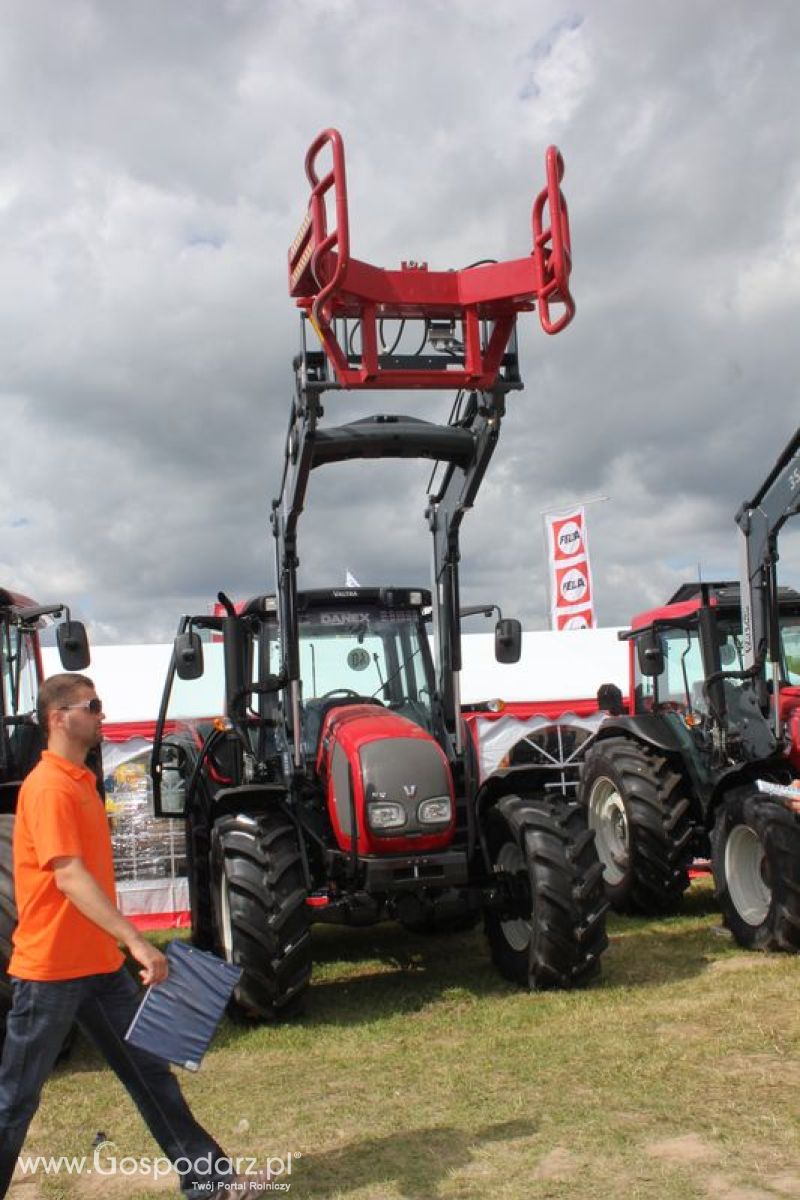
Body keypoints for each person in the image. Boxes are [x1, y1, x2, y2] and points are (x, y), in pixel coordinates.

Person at [0, 674, 263, 1197]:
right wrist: (138, 942)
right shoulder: (49, 786)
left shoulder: (79, 781)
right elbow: (69, 876)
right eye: (91, 706)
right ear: (58, 718)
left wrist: (117, 947)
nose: (101, 714)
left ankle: (210, 1184)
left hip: (96, 965)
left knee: (150, 1076)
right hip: (51, 969)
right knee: (16, 1099)